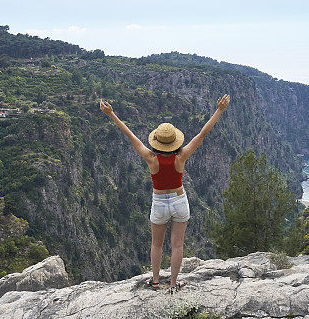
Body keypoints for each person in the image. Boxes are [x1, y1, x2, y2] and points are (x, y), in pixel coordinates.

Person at [99, 94, 231, 293]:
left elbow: (130, 135)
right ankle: (173, 284)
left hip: (159, 202)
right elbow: (202, 134)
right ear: (175, 142)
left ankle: (154, 281)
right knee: (177, 246)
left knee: (157, 244)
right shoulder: (182, 157)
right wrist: (219, 110)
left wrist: (111, 114)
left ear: (157, 141)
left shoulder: (151, 159)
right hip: (179, 200)